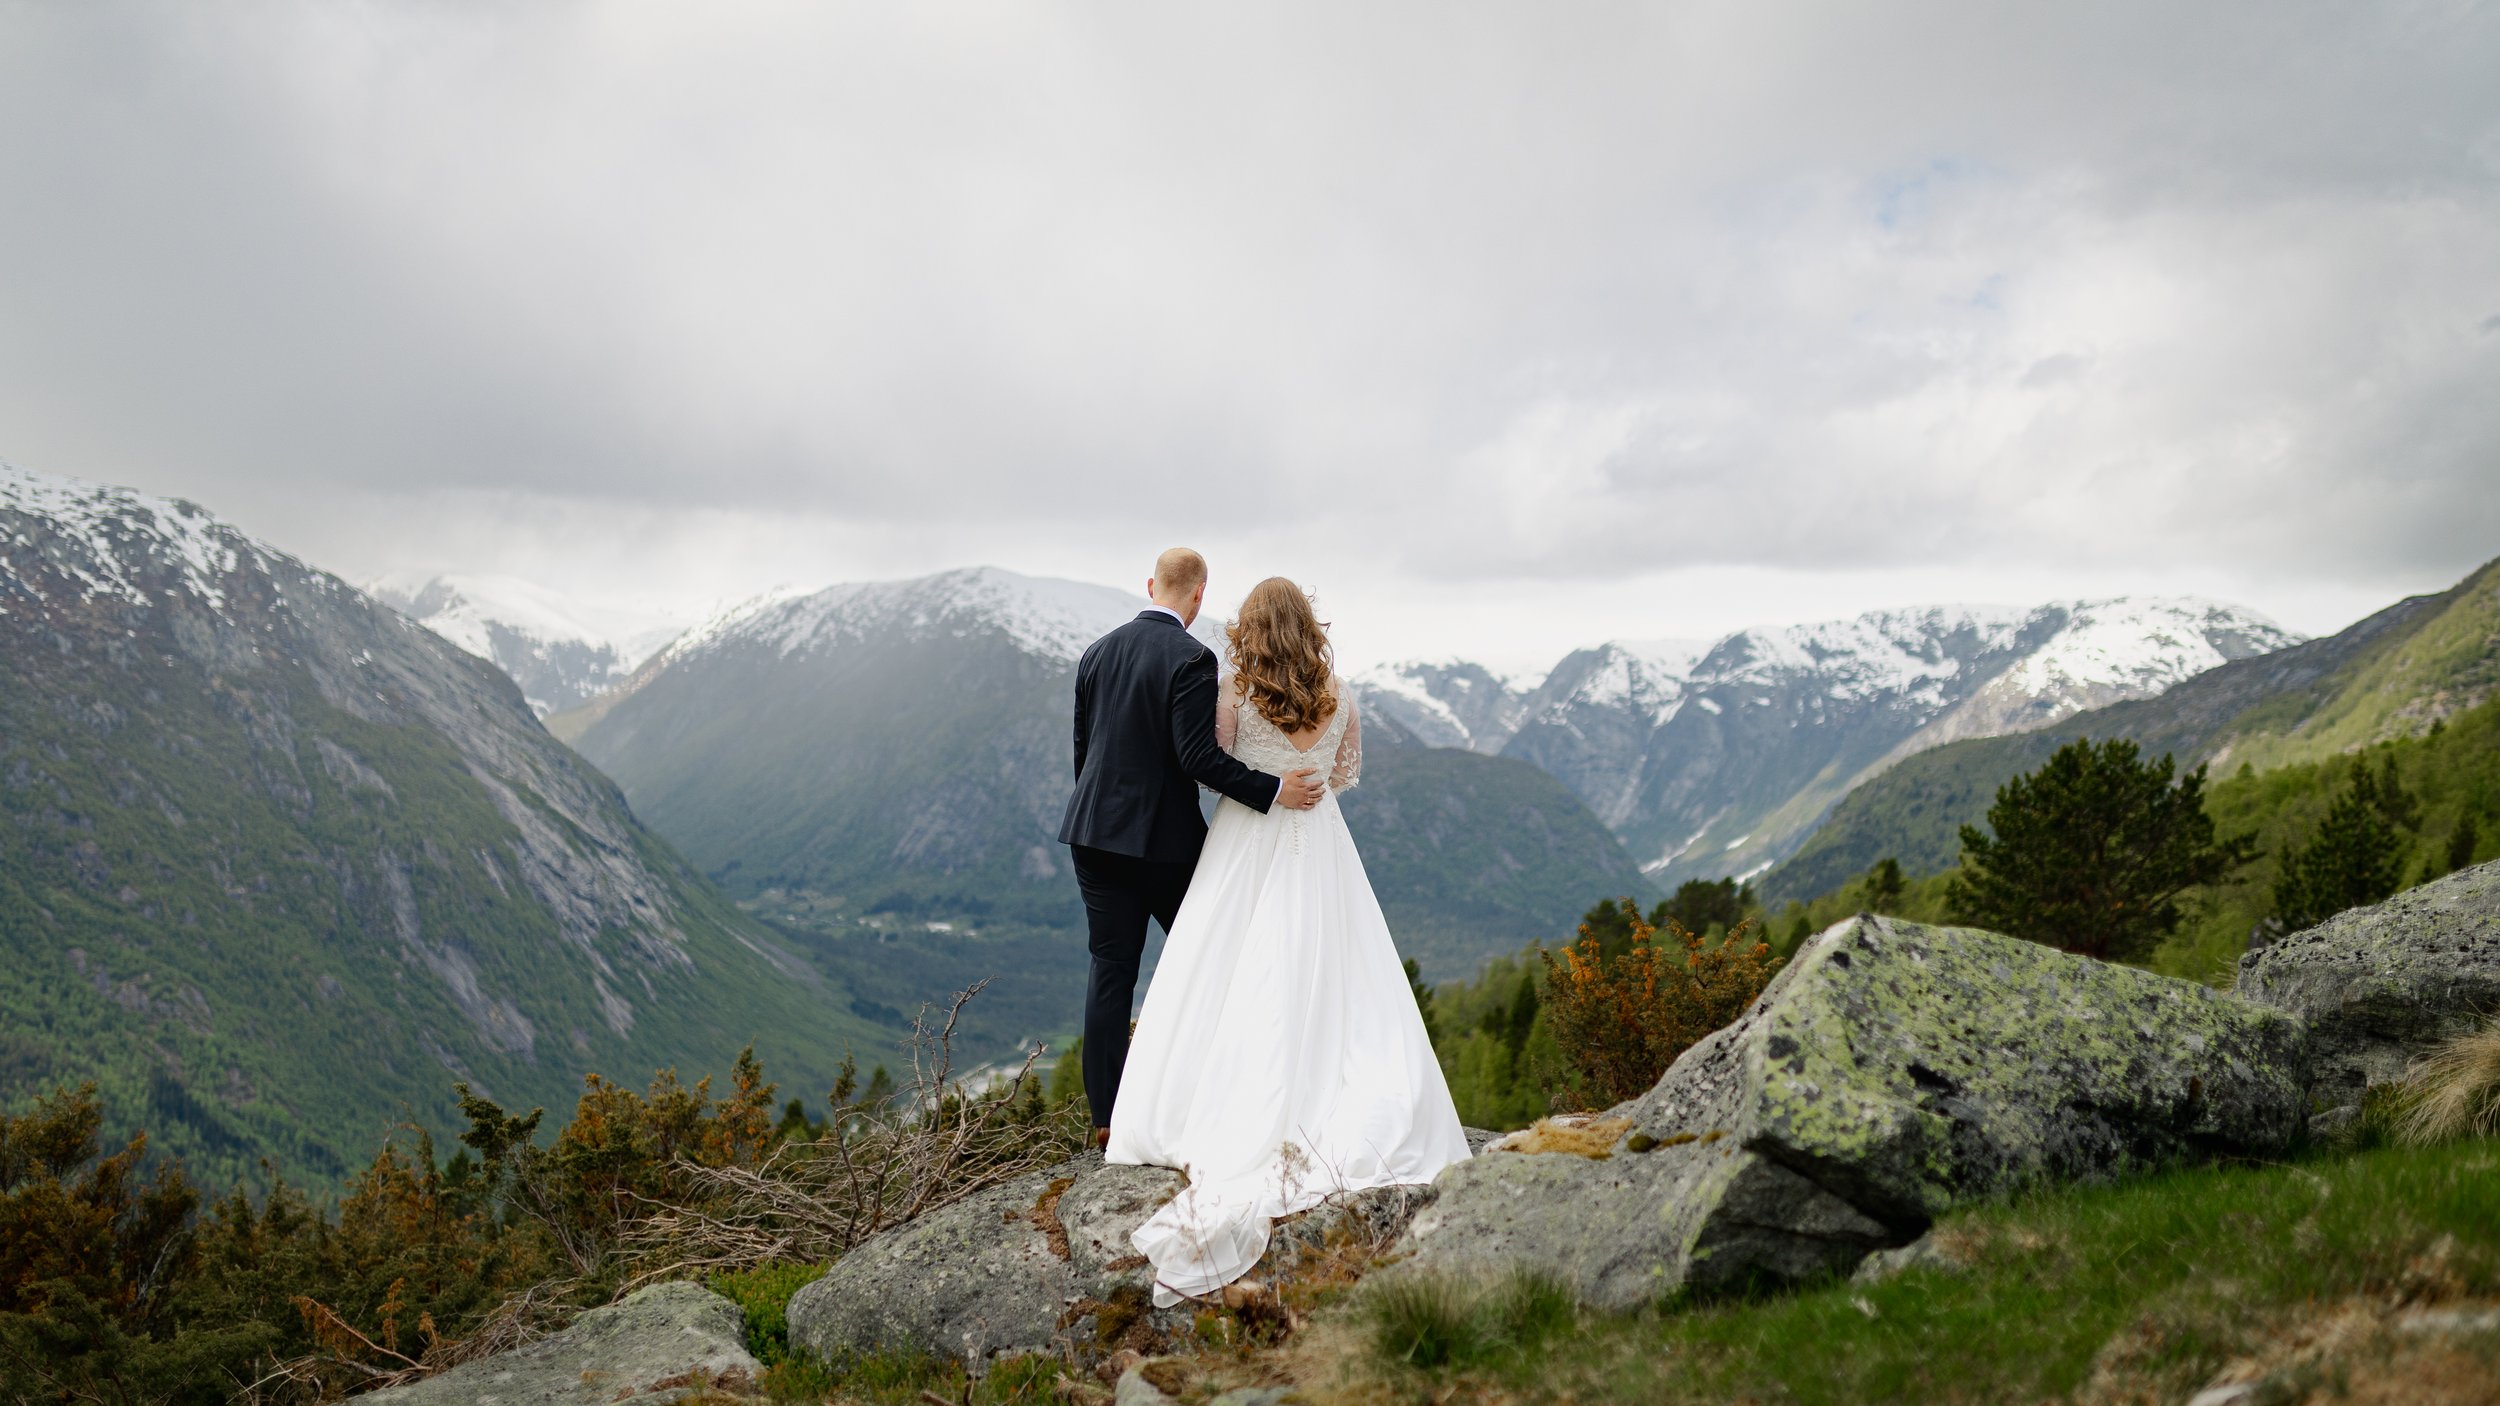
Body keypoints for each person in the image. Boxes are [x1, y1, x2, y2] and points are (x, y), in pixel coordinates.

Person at [1104, 575, 1470, 1306]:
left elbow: (1213, 766)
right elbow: (1345, 773)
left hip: (1248, 838)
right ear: (1310, 625)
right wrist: (1306, 780)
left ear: (1251, 629)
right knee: (1341, 971)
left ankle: (1200, 1107)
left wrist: (1269, 781)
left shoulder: (1235, 691)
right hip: (1321, 838)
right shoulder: (1339, 693)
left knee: (1226, 969)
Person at [1057, 548, 1325, 1149]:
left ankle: (1108, 1118)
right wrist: (1274, 789)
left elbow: (1084, 750)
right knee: (1212, 960)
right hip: (1164, 844)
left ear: (1151, 585)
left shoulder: (1096, 651)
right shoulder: (1192, 658)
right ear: (1200, 594)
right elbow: (1197, 758)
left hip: (1093, 834)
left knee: (1110, 971)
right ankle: (1213, 1096)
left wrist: (1099, 817)